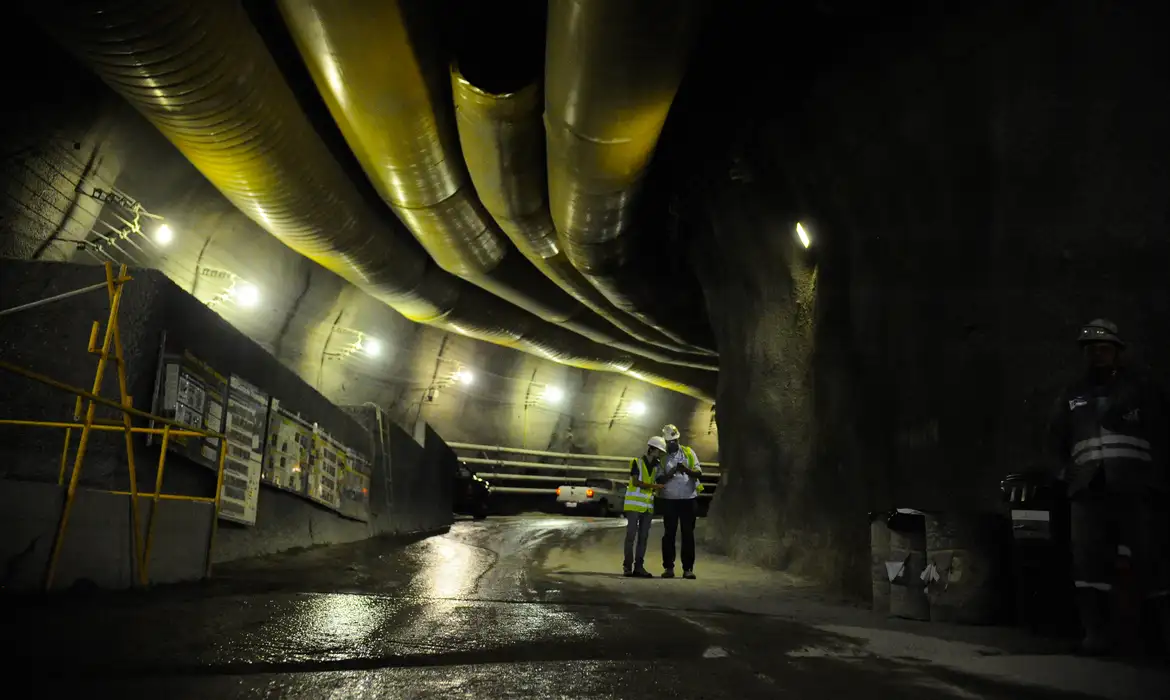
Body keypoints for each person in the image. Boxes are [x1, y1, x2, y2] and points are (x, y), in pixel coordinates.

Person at [1047, 319, 1169, 656]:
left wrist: (1158, 480)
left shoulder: (1141, 390)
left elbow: (1161, 435)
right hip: (1088, 489)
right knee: (1087, 562)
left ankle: (1159, 638)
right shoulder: (1073, 394)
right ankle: (1096, 636)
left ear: (1117, 352)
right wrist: (1064, 474)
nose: (1096, 355)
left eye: (1103, 349)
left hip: (1136, 487)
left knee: (1151, 559)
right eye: (1090, 350)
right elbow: (1056, 437)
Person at [656, 423, 703, 579]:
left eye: (674, 441)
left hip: (688, 500)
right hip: (669, 500)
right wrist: (671, 472)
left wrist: (686, 470)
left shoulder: (689, 453)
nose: (672, 444)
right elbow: (659, 478)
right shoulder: (661, 457)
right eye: (669, 442)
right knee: (669, 534)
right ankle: (668, 568)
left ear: (678, 439)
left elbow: (699, 473)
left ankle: (688, 568)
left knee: (687, 534)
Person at [624, 436, 666, 577]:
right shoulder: (637, 462)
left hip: (647, 506)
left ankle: (639, 567)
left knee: (643, 538)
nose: (660, 454)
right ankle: (627, 567)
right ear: (652, 449)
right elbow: (636, 483)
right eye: (659, 451)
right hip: (634, 505)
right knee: (631, 536)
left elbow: (660, 480)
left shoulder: (657, 466)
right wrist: (655, 486)